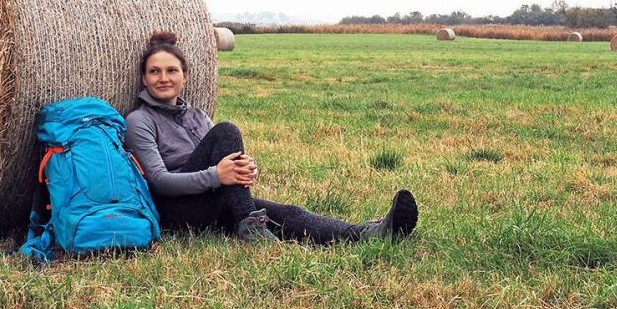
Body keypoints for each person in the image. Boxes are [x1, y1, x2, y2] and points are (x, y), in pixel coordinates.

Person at [124, 31, 417, 243]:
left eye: (171, 70)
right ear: (144, 79)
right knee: (226, 130)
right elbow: (159, 183)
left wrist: (243, 169)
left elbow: (222, 163)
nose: (163, 78)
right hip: (178, 210)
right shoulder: (140, 120)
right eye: (154, 72)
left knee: (286, 213)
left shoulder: (198, 115)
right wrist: (217, 176)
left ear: (185, 76)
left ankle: (368, 233)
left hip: (213, 199)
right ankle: (250, 226)